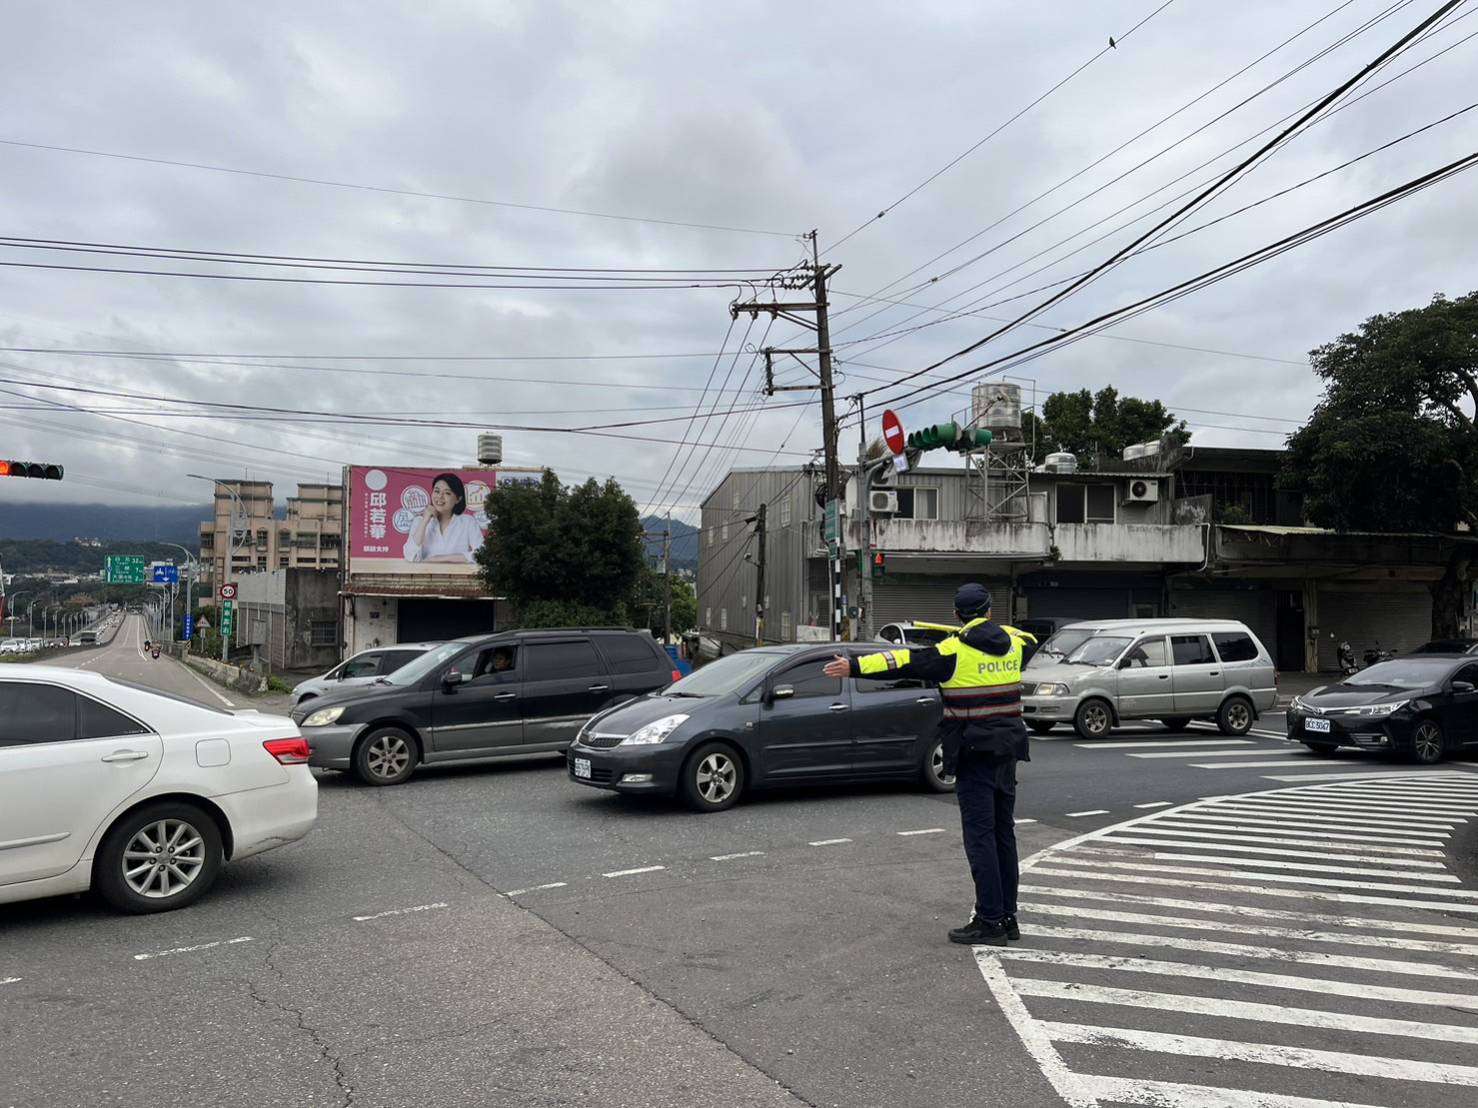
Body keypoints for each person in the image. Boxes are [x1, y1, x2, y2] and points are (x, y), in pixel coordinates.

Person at [824, 584, 1036, 947]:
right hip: (1007, 752)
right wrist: (986, 627)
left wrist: (854, 666)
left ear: (957, 615)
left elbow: (901, 661)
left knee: (980, 837)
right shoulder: (1016, 644)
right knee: (1004, 834)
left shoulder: (950, 652)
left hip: (973, 753)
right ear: (988, 611)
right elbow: (1028, 635)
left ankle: (989, 920)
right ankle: (1008, 917)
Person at [402, 473, 484, 564]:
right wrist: (425, 521)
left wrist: (439, 558)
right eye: (437, 491)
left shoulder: (468, 522)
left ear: (458, 499)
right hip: (426, 575)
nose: (440, 497)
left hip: (457, 576)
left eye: (447, 493)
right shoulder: (419, 521)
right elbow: (410, 556)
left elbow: (481, 554)